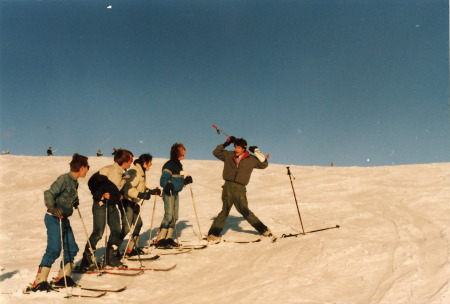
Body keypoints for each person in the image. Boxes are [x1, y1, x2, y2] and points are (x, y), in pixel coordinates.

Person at [27, 153, 89, 292]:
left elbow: (65, 197)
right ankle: (40, 280)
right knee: (54, 249)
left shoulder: (74, 183)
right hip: (53, 218)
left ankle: (63, 277)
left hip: (64, 219)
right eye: (87, 167)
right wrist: (52, 208)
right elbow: (48, 193)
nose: (88, 170)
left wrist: (74, 202)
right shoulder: (64, 179)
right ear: (82, 167)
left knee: (71, 248)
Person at [206, 137, 272, 241]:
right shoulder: (228, 155)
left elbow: (264, 164)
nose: (236, 149)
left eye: (239, 147)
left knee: (245, 211)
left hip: (240, 188)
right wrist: (226, 143)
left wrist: (257, 152)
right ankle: (213, 234)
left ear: (244, 148)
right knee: (225, 211)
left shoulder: (251, 159)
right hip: (227, 187)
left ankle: (264, 230)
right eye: (235, 146)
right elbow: (216, 152)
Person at [79, 149, 133, 270]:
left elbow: (114, 188)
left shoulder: (123, 174)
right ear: (124, 160)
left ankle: (110, 259)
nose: (131, 162)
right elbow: (92, 183)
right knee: (98, 233)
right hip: (101, 204)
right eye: (130, 160)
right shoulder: (108, 170)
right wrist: (101, 195)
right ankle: (86, 261)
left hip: (112, 205)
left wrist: (117, 196)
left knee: (117, 231)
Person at [120, 153, 161, 257]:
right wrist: (140, 194)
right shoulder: (135, 172)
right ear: (144, 163)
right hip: (127, 201)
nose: (151, 164)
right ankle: (112, 250)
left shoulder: (141, 173)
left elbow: (140, 188)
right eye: (149, 162)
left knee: (138, 224)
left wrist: (151, 191)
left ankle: (131, 248)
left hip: (133, 202)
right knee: (127, 228)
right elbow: (128, 189)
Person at [155, 143, 193, 248]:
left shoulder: (178, 164)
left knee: (175, 216)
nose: (185, 151)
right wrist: (167, 185)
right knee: (169, 215)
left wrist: (185, 181)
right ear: (177, 152)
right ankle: (160, 239)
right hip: (169, 193)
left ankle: (168, 238)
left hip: (175, 193)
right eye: (183, 150)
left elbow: (177, 181)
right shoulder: (170, 164)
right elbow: (163, 180)